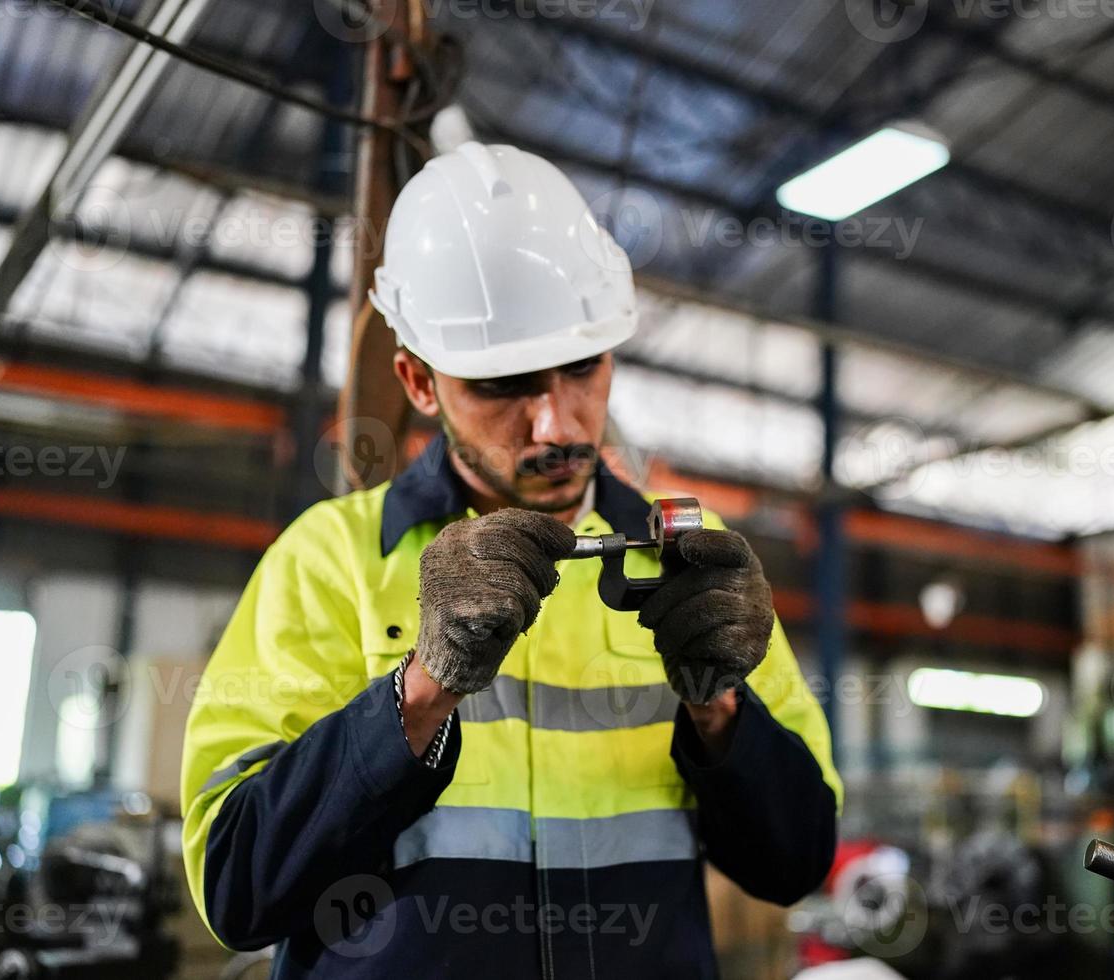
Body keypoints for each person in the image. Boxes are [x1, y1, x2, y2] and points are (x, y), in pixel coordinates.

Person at [180, 142, 841, 978]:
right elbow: (238, 886)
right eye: (502, 384)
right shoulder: (330, 559)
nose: (558, 426)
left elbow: (796, 863)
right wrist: (420, 691)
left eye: (582, 368)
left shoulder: (688, 560)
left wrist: (720, 715)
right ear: (419, 383)